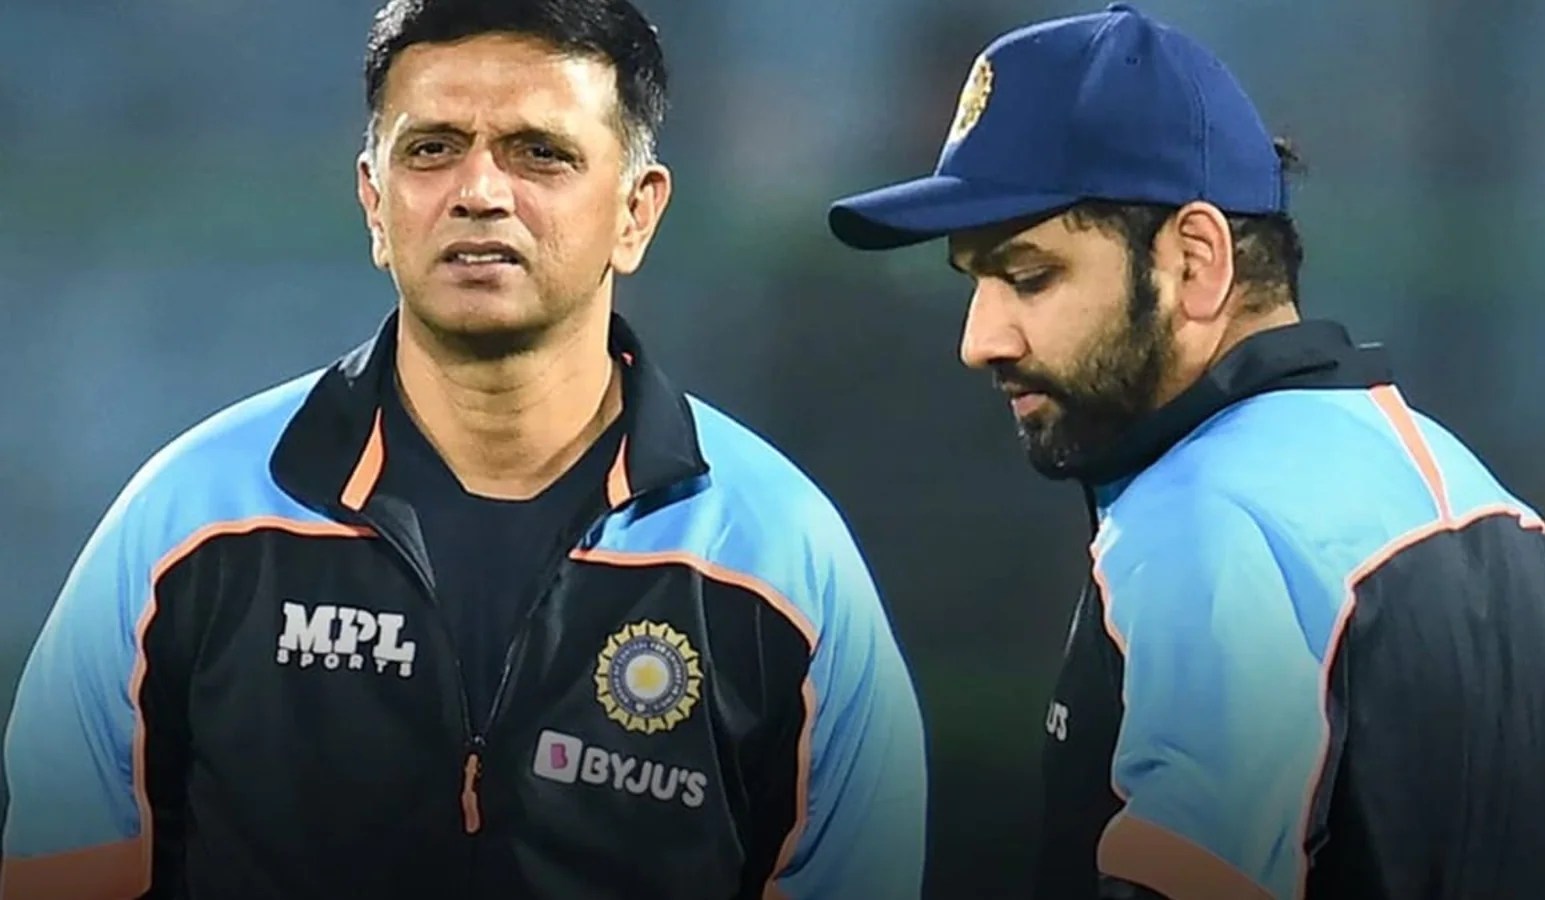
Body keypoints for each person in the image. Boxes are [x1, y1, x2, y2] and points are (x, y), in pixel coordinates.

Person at [0, 1, 927, 898]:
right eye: (432, 149)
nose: (479, 192)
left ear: (636, 213)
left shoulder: (781, 556)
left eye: (540, 153)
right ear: (374, 201)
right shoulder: (189, 520)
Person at [826, 3, 1545, 899]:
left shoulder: (1202, 520)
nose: (980, 339)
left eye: (1029, 276)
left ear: (1196, 260)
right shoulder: (1479, 500)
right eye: (974, 284)